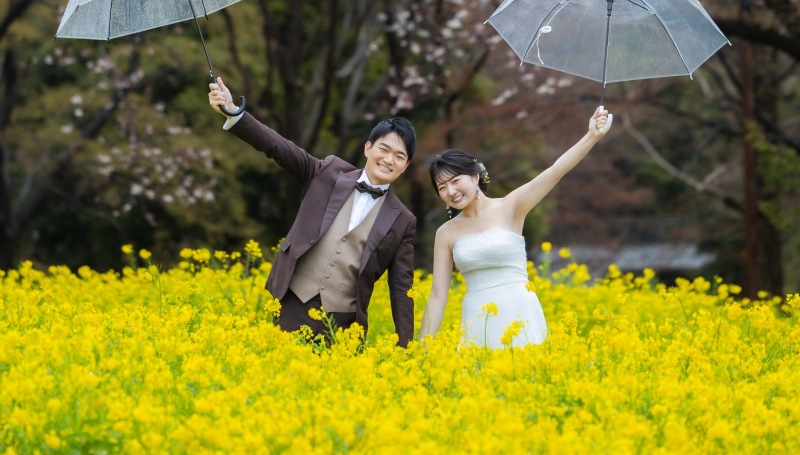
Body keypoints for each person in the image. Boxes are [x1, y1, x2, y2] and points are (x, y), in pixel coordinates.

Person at [208, 77, 416, 346]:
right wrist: (235, 112)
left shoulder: (403, 220)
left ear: (406, 165)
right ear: (368, 148)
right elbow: (279, 148)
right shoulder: (328, 171)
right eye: (384, 149)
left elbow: (401, 288)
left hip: (344, 326)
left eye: (399, 156)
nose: (389, 160)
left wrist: (405, 349)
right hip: (291, 304)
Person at [419, 105, 611, 348]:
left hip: (520, 311)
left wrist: (591, 135)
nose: (451, 192)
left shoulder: (511, 207)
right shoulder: (445, 233)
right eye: (442, 187)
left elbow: (555, 172)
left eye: (456, 181)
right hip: (478, 320)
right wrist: (421, 349)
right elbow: (437, 295)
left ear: (475, 177)